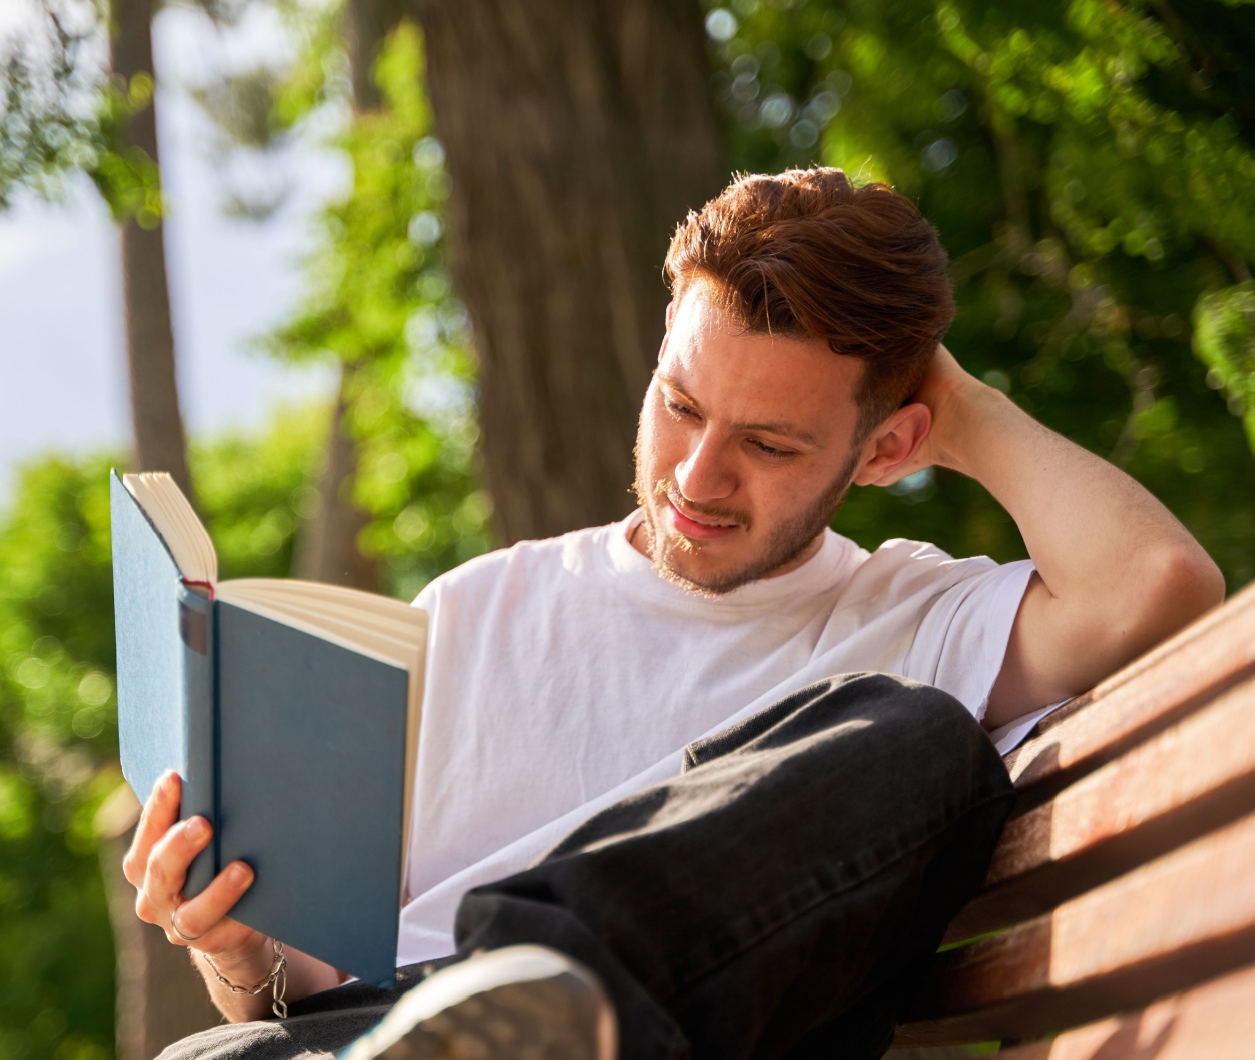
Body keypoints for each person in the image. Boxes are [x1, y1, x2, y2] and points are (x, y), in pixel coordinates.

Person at [124, 168, 1226, 1059]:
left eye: (769, 442)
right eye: (680, 404)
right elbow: (298, 993)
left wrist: (958, 406)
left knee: (921, 736)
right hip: (360, 1038)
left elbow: (1159, 588)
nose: (697, 477)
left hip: (663, 1038)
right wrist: (235, 944)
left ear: (886, 446)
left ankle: (540, 1017)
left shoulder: (918, 619)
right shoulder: (470, 611)